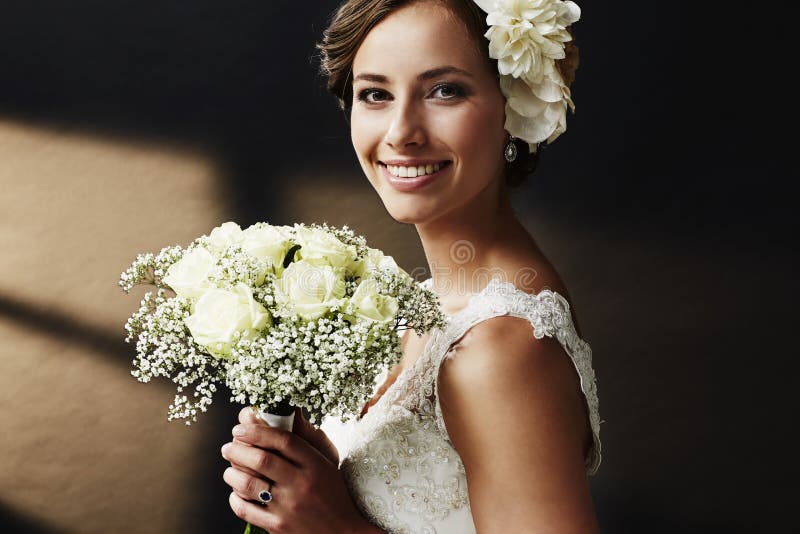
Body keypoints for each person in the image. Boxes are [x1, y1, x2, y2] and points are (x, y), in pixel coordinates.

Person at [219, 0, 602, 532]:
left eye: (445, 90)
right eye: (375, 94)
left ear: (513, 105)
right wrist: (328, 476)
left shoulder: (501, 345)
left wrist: (336, 527)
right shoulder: (439, 302)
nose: (401, 132)